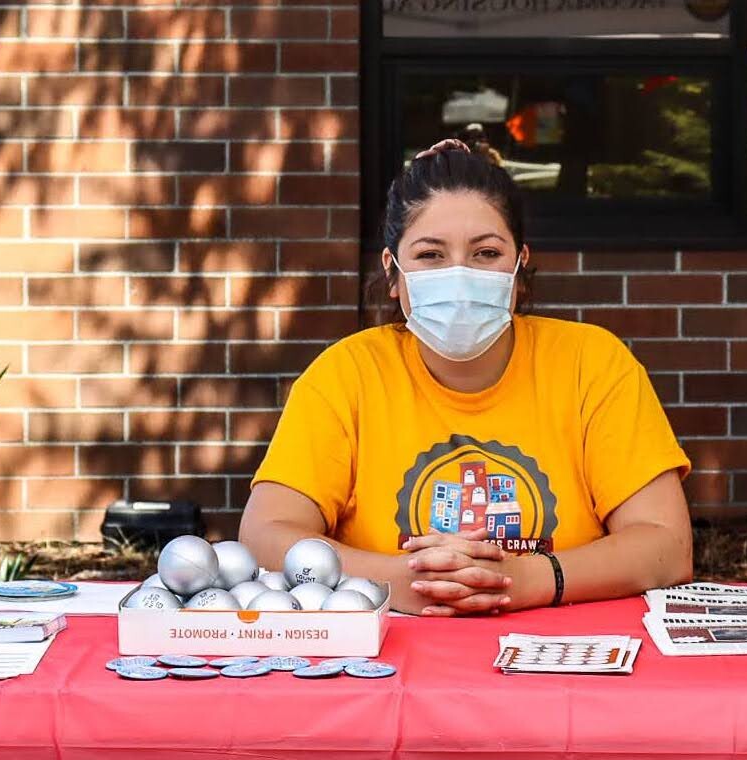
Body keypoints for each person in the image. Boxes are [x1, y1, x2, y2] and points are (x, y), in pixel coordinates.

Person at [239, 140, 693, 616]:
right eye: (431, 255)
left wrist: (530, 579)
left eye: (486, 253)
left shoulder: (594, 364)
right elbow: (265, 533)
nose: (459, 275)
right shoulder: (344, 376)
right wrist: (403, 582)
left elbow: (666, 546)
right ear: (393, 273)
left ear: (520, 267)